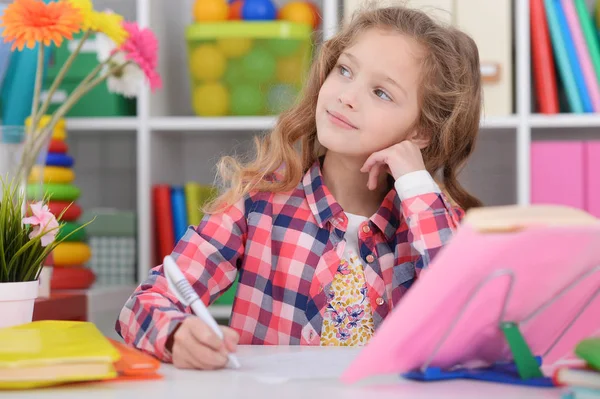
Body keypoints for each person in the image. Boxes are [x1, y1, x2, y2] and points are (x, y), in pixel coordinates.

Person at [116, 4, 483, 370]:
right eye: (345, 70)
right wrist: (176, 335)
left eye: (381, 93)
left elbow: (470, 321)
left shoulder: (429, 220)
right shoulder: (258, 201)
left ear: (420, 132)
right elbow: (143, 304)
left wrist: (416, 183)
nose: (347, 96)